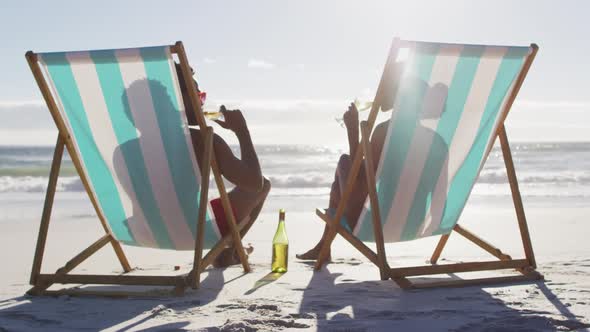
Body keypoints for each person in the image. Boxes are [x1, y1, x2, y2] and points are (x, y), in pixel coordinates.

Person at [176, 64, 271, 267]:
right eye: (198, 95)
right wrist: (242, 132)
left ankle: (232, 250)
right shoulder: (202, 139)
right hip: (194, 229)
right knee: (264, 185)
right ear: (179, 98)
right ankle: (229, 251)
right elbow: (255, 183)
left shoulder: (122, 148)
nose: (202, 102)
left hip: (143, 229)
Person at [296, 102, 390, 261]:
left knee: (345, 162)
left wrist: (353, 132)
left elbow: (360, 184)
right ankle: (323, 247)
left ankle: (323, 247)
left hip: (373, 224)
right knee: (346, 171)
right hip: (418, 223)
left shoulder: (385, 132)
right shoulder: (436, 141)